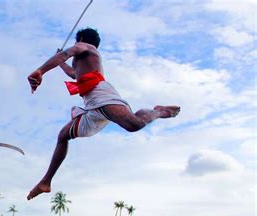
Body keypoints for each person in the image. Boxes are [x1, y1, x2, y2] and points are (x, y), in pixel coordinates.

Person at [26, 28, 180, 200]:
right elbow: (71, 71)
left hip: (101, 94)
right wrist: (61, 61)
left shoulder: (86, 47)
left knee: (134, 124)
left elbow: (65, 55)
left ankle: (159, 111)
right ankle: (46, 182)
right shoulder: (84, 60)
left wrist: (41, 70)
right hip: (91, 105)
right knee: (63, 135)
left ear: (81, 39)